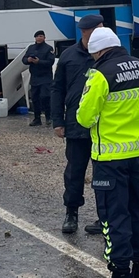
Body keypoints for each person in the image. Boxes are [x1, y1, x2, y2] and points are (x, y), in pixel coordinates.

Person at [75, 26, 139, 278]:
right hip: (138, 153)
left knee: (113, 216)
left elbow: (84, 117)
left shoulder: (100, 74)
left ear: (98, 51)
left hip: (109, 157)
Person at [51, 13, 103, 234]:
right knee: (74, 173)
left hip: (102, 126)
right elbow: (57, 89)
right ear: (84, 32)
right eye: (94, 30)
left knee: (104, 174)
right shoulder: (68, 56)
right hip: (75, 124)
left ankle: (105, 217)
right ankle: (71, 213)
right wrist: (58, 121)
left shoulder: (106, 56)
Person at [22, 30, 55, 126]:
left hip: (45, 77)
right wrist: (28, 60)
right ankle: (37, 118)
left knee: (45, 97)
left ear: (44, 38)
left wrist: (39, 62)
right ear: (35, 38)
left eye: (41, 36)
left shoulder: (48, 48)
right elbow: (23, 59)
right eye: (37, 36)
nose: (39, 38)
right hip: (35, 77)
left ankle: (49, 117)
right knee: (35, 98)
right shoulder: (31, 48)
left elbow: (50, 62)